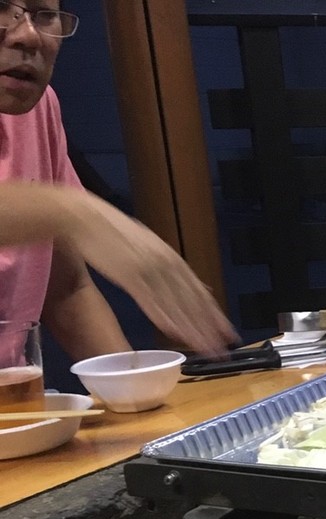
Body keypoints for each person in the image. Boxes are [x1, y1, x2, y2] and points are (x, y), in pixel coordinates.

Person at [0, 0, 236, 360]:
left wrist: (133, 390)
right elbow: (63, 214)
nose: (30, 35)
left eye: (44, 15)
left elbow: (67, 290)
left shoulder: (39, 108)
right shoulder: (69, 210)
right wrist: (76, 212)